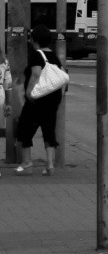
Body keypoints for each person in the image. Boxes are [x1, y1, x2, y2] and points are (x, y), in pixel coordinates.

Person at [15, 31, 64, 176]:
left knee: (24, 128)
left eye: (31, 38)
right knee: (48, 130)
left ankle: (27, 162)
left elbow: (36, 74)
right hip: (52, 99)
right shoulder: (54, 57)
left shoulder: (37, 55)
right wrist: (59, 98)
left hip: (37, 99)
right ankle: (50, 165)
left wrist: (29, 93)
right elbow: (61, 78)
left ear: (35, 40)